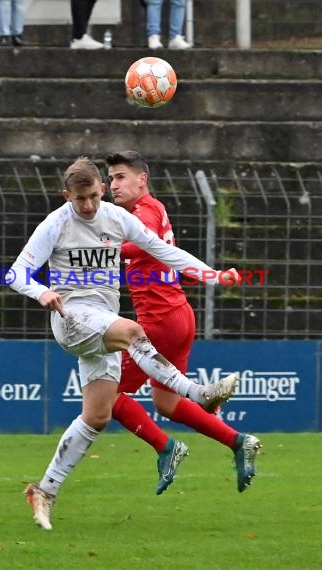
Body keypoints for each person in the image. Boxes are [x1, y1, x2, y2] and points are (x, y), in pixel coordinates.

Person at [7, 157, 240, 530]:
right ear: (68, 195)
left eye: (94, 196)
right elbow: (16, 272)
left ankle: (44, 490)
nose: (88, 206)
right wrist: (41, 292)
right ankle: (197, 394)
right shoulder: (56, 223)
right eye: (79, 199)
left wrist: (212, 275)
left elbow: (165, 252)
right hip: (72, 318)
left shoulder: (116, 217)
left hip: (101, 318)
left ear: (101, 189)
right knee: (133, 332)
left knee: (97, 416)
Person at [106, 150, 262, 496]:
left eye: (120, 177)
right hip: (178, 316)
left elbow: (137, 244)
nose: (112, 186)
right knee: (166, 403)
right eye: (111, 179)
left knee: (106, 393)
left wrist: (98, 245)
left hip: (158, 322)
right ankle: (238, 441)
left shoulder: (144, 212)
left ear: (141, 178)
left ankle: (166, 447)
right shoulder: (152, 209)